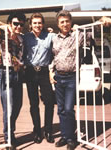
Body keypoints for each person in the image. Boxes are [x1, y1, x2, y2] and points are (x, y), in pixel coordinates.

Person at [49, 10, 93, 150]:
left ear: (71, 22)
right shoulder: (54, 38)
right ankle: (65, 136)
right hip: (58, 77)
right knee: (61, 109)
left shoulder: (77, 35)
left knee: (68, 108)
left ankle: (71, 138)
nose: (65, 24)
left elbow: (93, 31)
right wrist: (51, 71)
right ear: (58, 24)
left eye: (67, 21)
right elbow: (52, 57)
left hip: (71, 77)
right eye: (62, 22)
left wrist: (103, 21)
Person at [0, 12, 26, 148]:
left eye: (21, 24)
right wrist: (5, 26)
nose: (18, 26)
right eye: (15, 23)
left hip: (18, 74)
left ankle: (10, 133)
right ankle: (8, 139)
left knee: (18, 105)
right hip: (5, 72)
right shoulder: (2, 34)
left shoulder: (22, 38)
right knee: (8, 108)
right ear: (10, 23)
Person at [23, 13, 55, 144]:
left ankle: (48, 130)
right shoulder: (25, 37)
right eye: (35, 23)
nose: (37, 25)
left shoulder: (50, 36)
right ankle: (37, 130)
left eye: (39, 23)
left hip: (44, 72)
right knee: (34, 104)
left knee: (49, 102)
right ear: (30, 24)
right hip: (30, 72)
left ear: (43, 24)